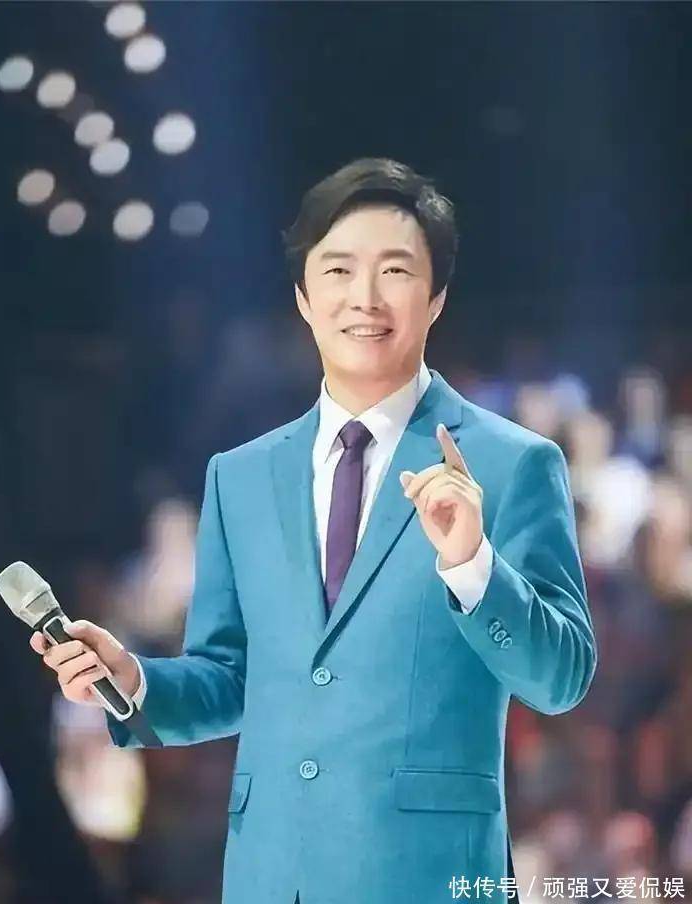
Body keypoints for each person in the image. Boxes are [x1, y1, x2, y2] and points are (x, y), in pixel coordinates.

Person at [31, 158, 598, 903]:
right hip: (271, 879)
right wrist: (134, 680)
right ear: (303, 297)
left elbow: (561, 679)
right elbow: (231, 677)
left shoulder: (513, 463)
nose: (365, 297)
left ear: (436, 297)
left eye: (395, 271)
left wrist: (472, 565)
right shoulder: (240, 476)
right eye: (338, 270)